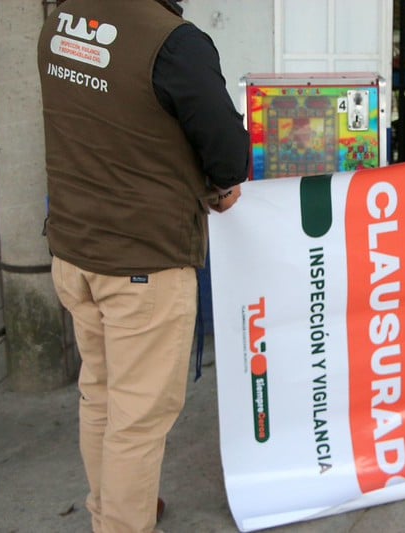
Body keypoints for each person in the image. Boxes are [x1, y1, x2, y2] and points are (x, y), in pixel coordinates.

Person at [37, 0, 250, 531]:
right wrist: (219, 186)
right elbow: (228, 155)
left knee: (101, 396)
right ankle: (122, 521)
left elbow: (111, 121)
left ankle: (112, 507)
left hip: (75, 249)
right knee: (137, 420)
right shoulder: (173, 43)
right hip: (142, 262)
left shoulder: (63, 19)